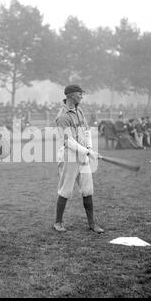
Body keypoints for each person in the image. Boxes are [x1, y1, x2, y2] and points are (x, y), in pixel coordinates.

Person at [53, 84, 104, 233]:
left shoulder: (79, 110)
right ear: (71, 96)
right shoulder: (62, 116)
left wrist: (90, 149)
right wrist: (87, 153)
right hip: (68, 156)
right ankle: (58, 222)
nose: (82, 96)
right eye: (80, 94)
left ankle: (92, 223)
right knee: (66, 190)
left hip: (82, 154)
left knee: (88, 190)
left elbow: (86, 132)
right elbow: (68, 141)